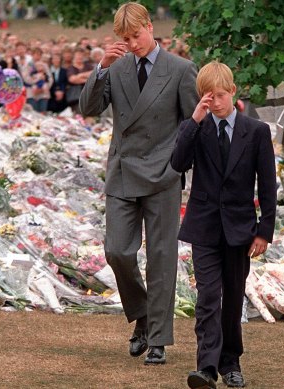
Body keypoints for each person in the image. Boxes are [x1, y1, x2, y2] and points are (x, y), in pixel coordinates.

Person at [79, 1, 199, 365]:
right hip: (122, 171)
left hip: (164, 174)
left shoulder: (180, 69)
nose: (132, 43)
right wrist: (101, 67)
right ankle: (144, 315)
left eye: (136, 35)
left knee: (162, 258)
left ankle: (159, 338)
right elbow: (88, 108)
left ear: (150, 26)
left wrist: (186, 169)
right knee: (117, 250)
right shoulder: (115, 70)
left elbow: (193, 127)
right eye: (125, 38)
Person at [171, 61, 276, 389]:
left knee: (232, 297)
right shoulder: (197, 128)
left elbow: (268, 185)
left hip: (239, 228)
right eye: (207, 97)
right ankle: (206, 367)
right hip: (203, 226)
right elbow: (178, 163)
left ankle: (231, 361)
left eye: (219, 95)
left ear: (232, 92)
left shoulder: (256, 131)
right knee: (207, 295)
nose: (214, 102)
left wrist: (264, 230)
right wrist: (195, 120)